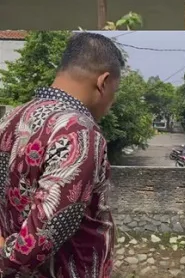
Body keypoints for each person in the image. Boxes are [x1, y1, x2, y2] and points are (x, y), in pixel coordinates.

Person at [0, 32, 125, 277]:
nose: (112, 101)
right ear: (103, 81)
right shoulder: (78, 131)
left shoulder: (12, 117)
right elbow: (43, 234)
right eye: (115, 90)